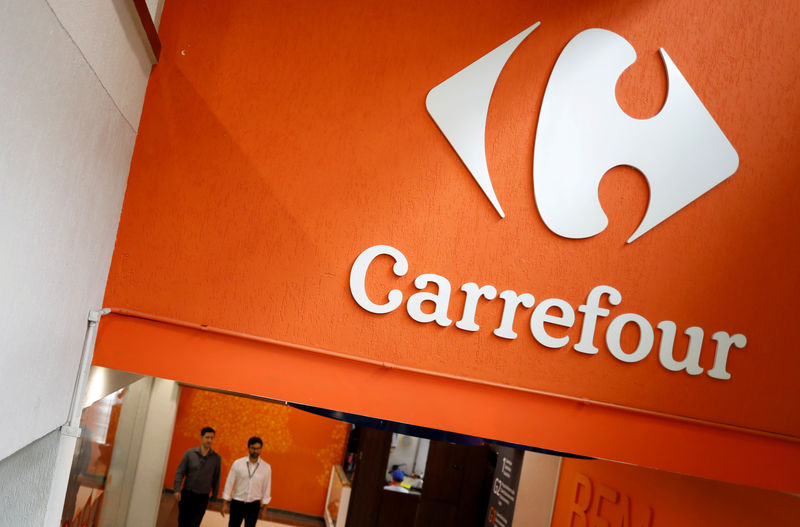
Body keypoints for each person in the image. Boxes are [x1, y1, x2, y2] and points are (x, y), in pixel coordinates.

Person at [173, 426, 222, 527]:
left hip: (202, 498)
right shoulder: (190, 453)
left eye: (212, 438)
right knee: (182, 522)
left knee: (195, 524)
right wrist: (177, 489)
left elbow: (216, 479)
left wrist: (214, 498)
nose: (209, 440)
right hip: (187, 494)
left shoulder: (216, 458)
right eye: (207, 437)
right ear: (201, 437)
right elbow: (180, 472)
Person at [221, 436, 272, 527]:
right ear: (248, 448)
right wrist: (224, 503)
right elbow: (229, 483)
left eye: (258, 448)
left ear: (261, 449)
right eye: (253, 448)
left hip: (254, 505)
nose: (255, 451)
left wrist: (264, 509)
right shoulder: (238, 463)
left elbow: (267, 488)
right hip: (237, 502)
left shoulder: (266, 467)